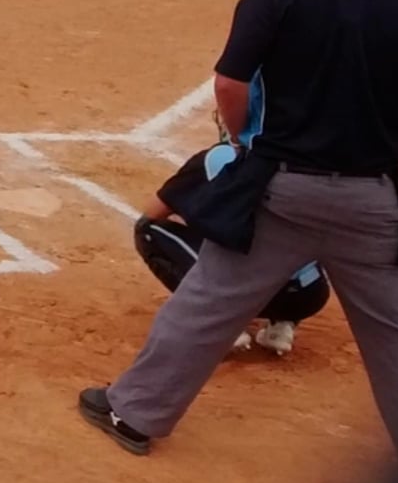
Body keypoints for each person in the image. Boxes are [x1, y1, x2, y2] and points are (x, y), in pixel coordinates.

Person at [80, 0, 398, 466]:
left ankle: (134, 413)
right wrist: (392, 163)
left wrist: (248, 143)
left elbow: (230, 84)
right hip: (373, 202)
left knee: (207, 303)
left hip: (280, 190)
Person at [136, 71, 331, 357]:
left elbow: (153, 213)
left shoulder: (217, 158)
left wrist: (200, 216)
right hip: (308, 295)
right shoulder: (313, 161)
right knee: (304, 229)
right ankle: (282, 326)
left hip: (245, 291)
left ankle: (222, 322)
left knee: (149, 231)